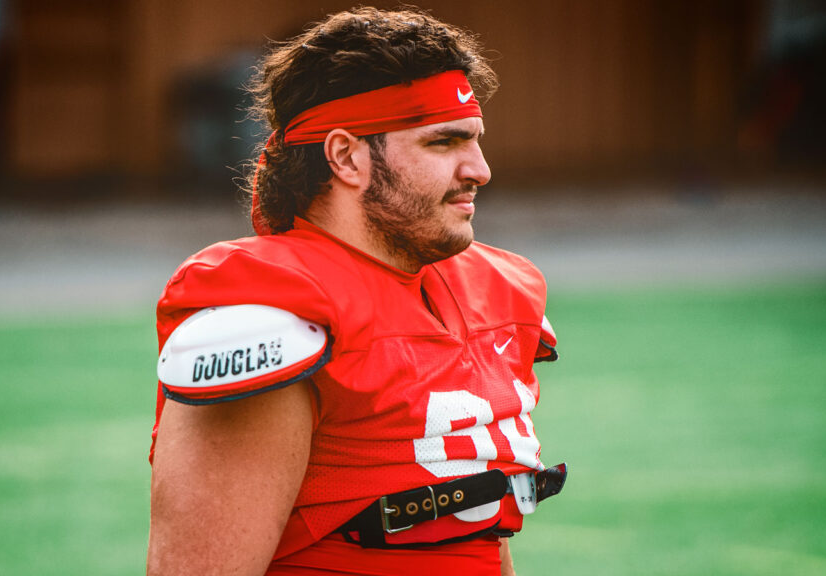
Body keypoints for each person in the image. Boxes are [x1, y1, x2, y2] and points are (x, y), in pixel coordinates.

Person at [146, 7, 564, 575]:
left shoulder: (490, 287)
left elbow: (479, 532)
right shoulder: (269, 310)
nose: (480, 169)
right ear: (346, 156)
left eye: (475, 141)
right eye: (444, 143)